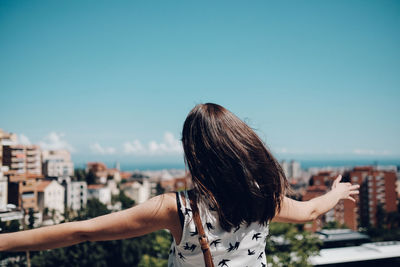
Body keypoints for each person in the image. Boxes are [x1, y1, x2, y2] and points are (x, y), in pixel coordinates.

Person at [0, 103, 359, 267]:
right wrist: (337, 193)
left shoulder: (178, 208)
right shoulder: (264, 199)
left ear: (196, 155)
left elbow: (82, 232)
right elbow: (311, 210)